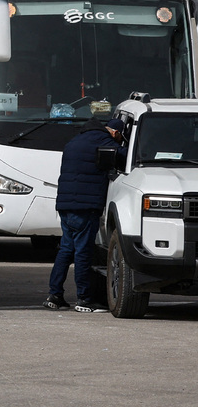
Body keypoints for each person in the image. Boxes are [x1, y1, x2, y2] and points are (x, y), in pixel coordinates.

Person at [48, 111, 124, 311]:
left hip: (65, 204)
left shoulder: (74, 141)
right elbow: (125, 157)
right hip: (85, 206)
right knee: (83, 252)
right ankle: (84, 298)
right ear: (115, 132)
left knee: (66, 250)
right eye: (120, 136)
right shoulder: (104, 142)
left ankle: (54, 295)